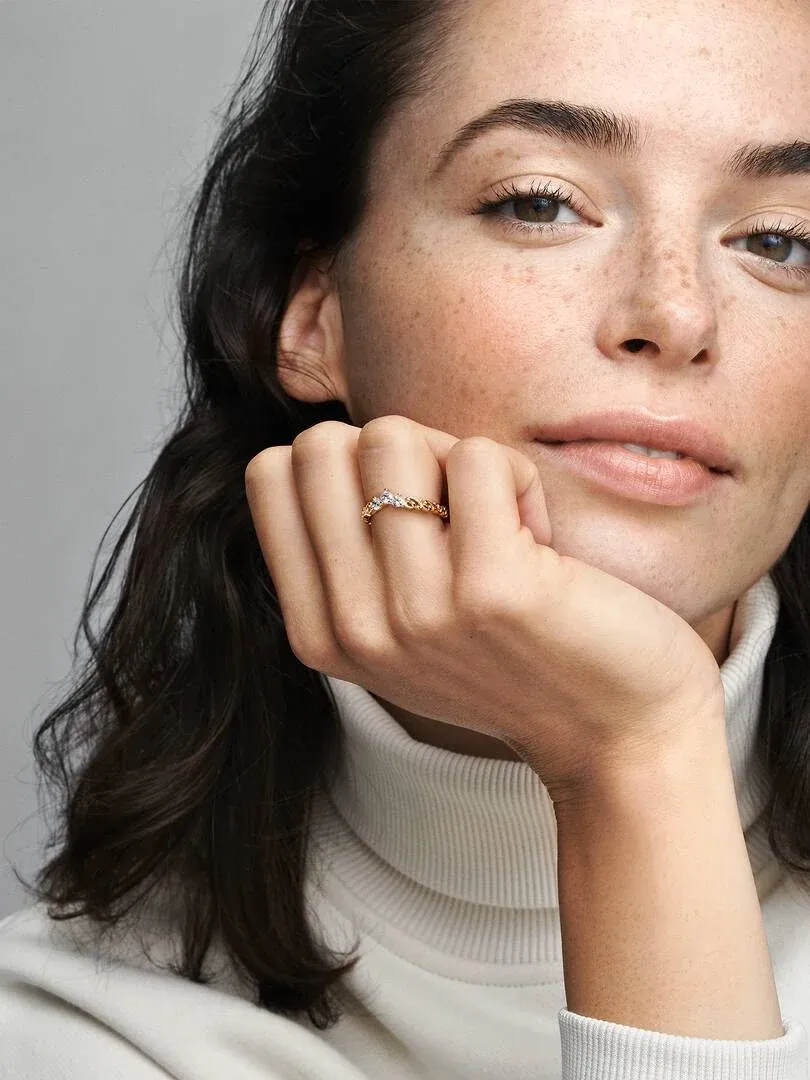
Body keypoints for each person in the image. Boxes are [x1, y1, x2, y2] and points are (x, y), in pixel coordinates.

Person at [2, 0, 810, 1075]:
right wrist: (634, 757)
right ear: (312, 310)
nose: (674, 312)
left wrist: (638, 755)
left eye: (780, 240)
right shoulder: (72, 1037)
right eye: (539, 203)